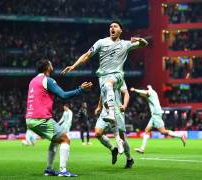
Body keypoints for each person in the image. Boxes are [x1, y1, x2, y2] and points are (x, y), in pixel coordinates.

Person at [62, 20, 148, 153]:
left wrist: (137, 38)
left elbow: (144, 44)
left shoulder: (125, 44)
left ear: (120, 30)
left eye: (115, 26)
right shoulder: (101, 42)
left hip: (117, 76)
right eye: (110, 26)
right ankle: (117, 147)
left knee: (109, 84)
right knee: (106, 89)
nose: (112, 28)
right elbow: (87, 55)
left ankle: (113, 117)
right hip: (103, 79)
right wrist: (74, 66)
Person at [25, 59, 92, 177]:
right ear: (47, 68)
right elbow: (63, 95)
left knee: (55, 140)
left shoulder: (33, 81)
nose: (52, 65)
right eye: (50, 64)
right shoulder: (48, 80)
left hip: (30, 119)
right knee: (65, 139)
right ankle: (63, 170)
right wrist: (80, 89)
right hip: (41, 118)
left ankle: (49, 169)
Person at [130, 85, 187, 154]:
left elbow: (145, 92)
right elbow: (149, 89)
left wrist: (135, 89)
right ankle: (142, 149)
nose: (142, 95)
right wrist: (150, 86)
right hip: (155, 115)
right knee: (147, 130)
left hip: (156, 115)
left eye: (142, 94)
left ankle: (181, 136)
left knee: (163, 131)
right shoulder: (153, 91)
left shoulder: (149, 93)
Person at [95, 81, 134, 168]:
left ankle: (129, 159)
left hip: (117, 111)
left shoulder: (119, 78)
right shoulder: (102, 78)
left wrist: (124, 105)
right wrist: (99, 106)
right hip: (105, 111)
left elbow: (126, 93)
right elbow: (102, 94)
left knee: (121, 138)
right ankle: (113, 149)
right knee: (97, 133)